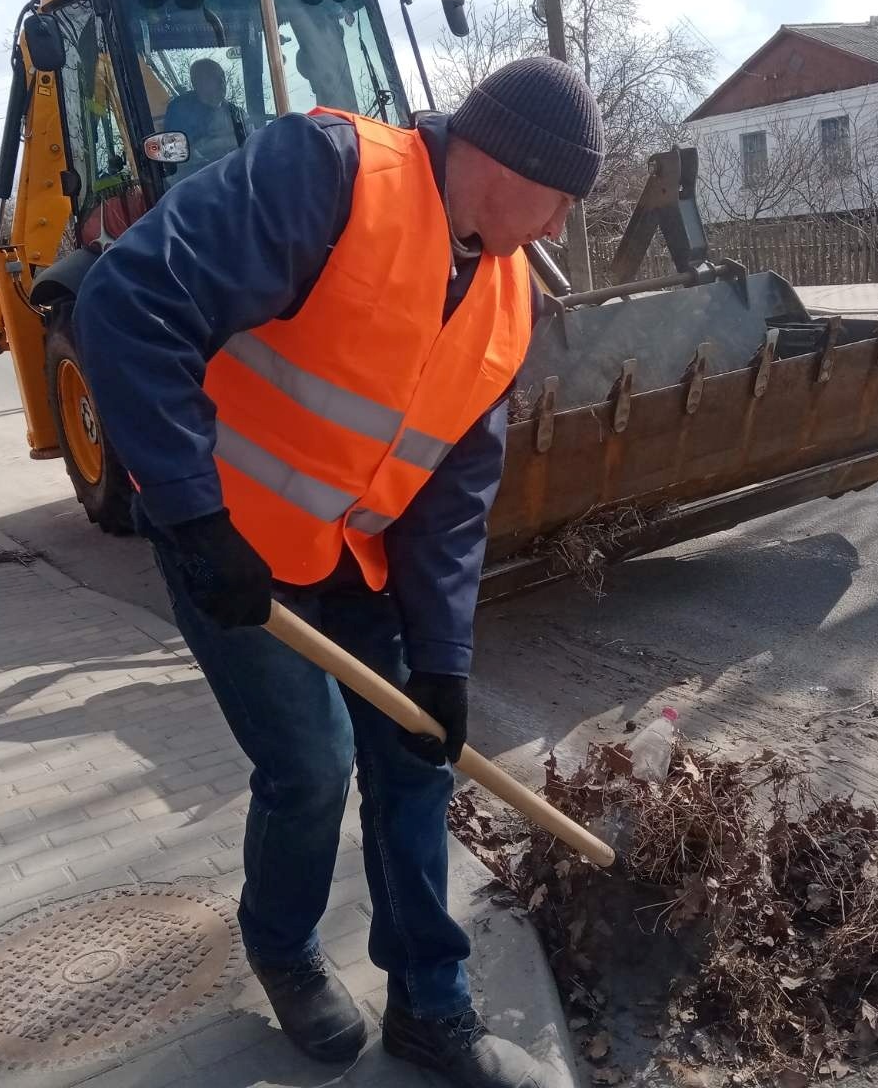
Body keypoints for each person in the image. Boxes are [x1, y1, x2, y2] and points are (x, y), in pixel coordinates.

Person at [74, 57, 602, 1088]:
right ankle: (281, 946)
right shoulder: (329, 173)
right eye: (558, 203)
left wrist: (443, 661)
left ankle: (429, 1006)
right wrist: (189, 515)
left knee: (416, 754)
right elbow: (127, 303)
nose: (555, 232)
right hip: (228, 545)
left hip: (354, 556)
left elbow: (451, 500)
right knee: (310, 768)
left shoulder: (505, 303)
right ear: (506, 164)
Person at [163, 58, 248, 168]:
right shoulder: (180, 111)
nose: (222, 82)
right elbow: (176, 152)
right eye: (215, 78)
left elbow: (252, 143)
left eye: (223, 77)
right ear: (197, 83)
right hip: (198, 177)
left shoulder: (236, 113)